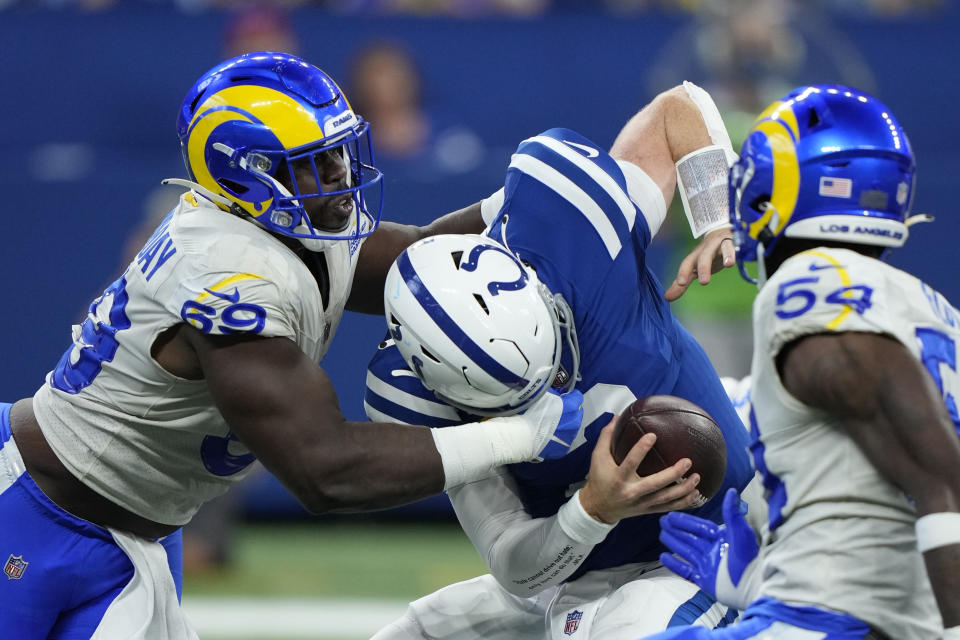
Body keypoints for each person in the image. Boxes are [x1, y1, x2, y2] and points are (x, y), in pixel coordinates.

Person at [0, 51, 583, 639]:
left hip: (130, 537)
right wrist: (521, 435)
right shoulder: (226, 272)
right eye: (314, 162)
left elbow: (424, 262)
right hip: (30, 512)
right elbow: (327, 470)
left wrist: (526, 206)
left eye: (338, 152)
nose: (340, 174)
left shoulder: (285, 228)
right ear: (246, 175)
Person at [362, 81, 758, 639]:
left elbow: (677, 110)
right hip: (580, 563)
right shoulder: (410, 392)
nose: (554, 390)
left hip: (712, 534)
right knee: (419, 631)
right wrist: (592, 508)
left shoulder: (572, 230)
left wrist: (717, 214)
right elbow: (510, 560)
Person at [644, 84, 960, 639]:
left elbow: (936, 471)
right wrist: (762, 574)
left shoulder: (810, 282)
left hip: (823, 619)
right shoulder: (932, 309)